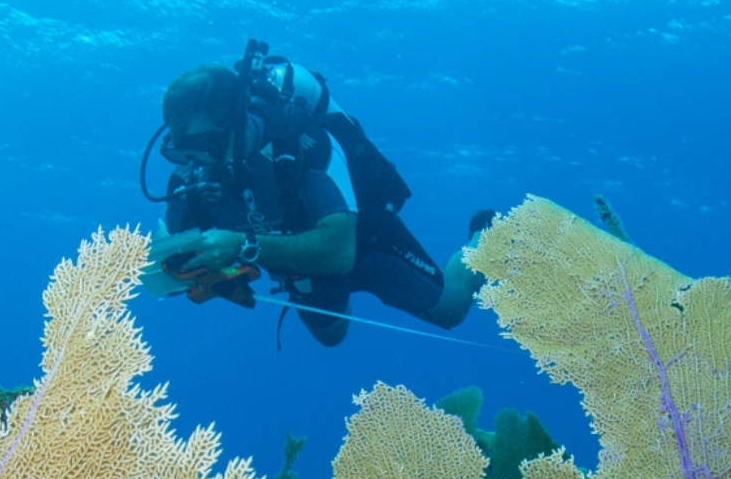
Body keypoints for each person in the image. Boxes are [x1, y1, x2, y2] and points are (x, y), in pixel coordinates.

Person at [143, 45, 492, 347]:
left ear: (237, 121)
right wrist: (200, 272)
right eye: (183, 149)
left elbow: (339, 251)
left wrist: (242, 245)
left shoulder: (304, 145)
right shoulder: (193, 174)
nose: (198, 160)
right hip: (299, 264)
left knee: (452, 309)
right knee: (330, 337)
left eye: (207, 145)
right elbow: (179, 263)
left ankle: (486, 237)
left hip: (364, 240)